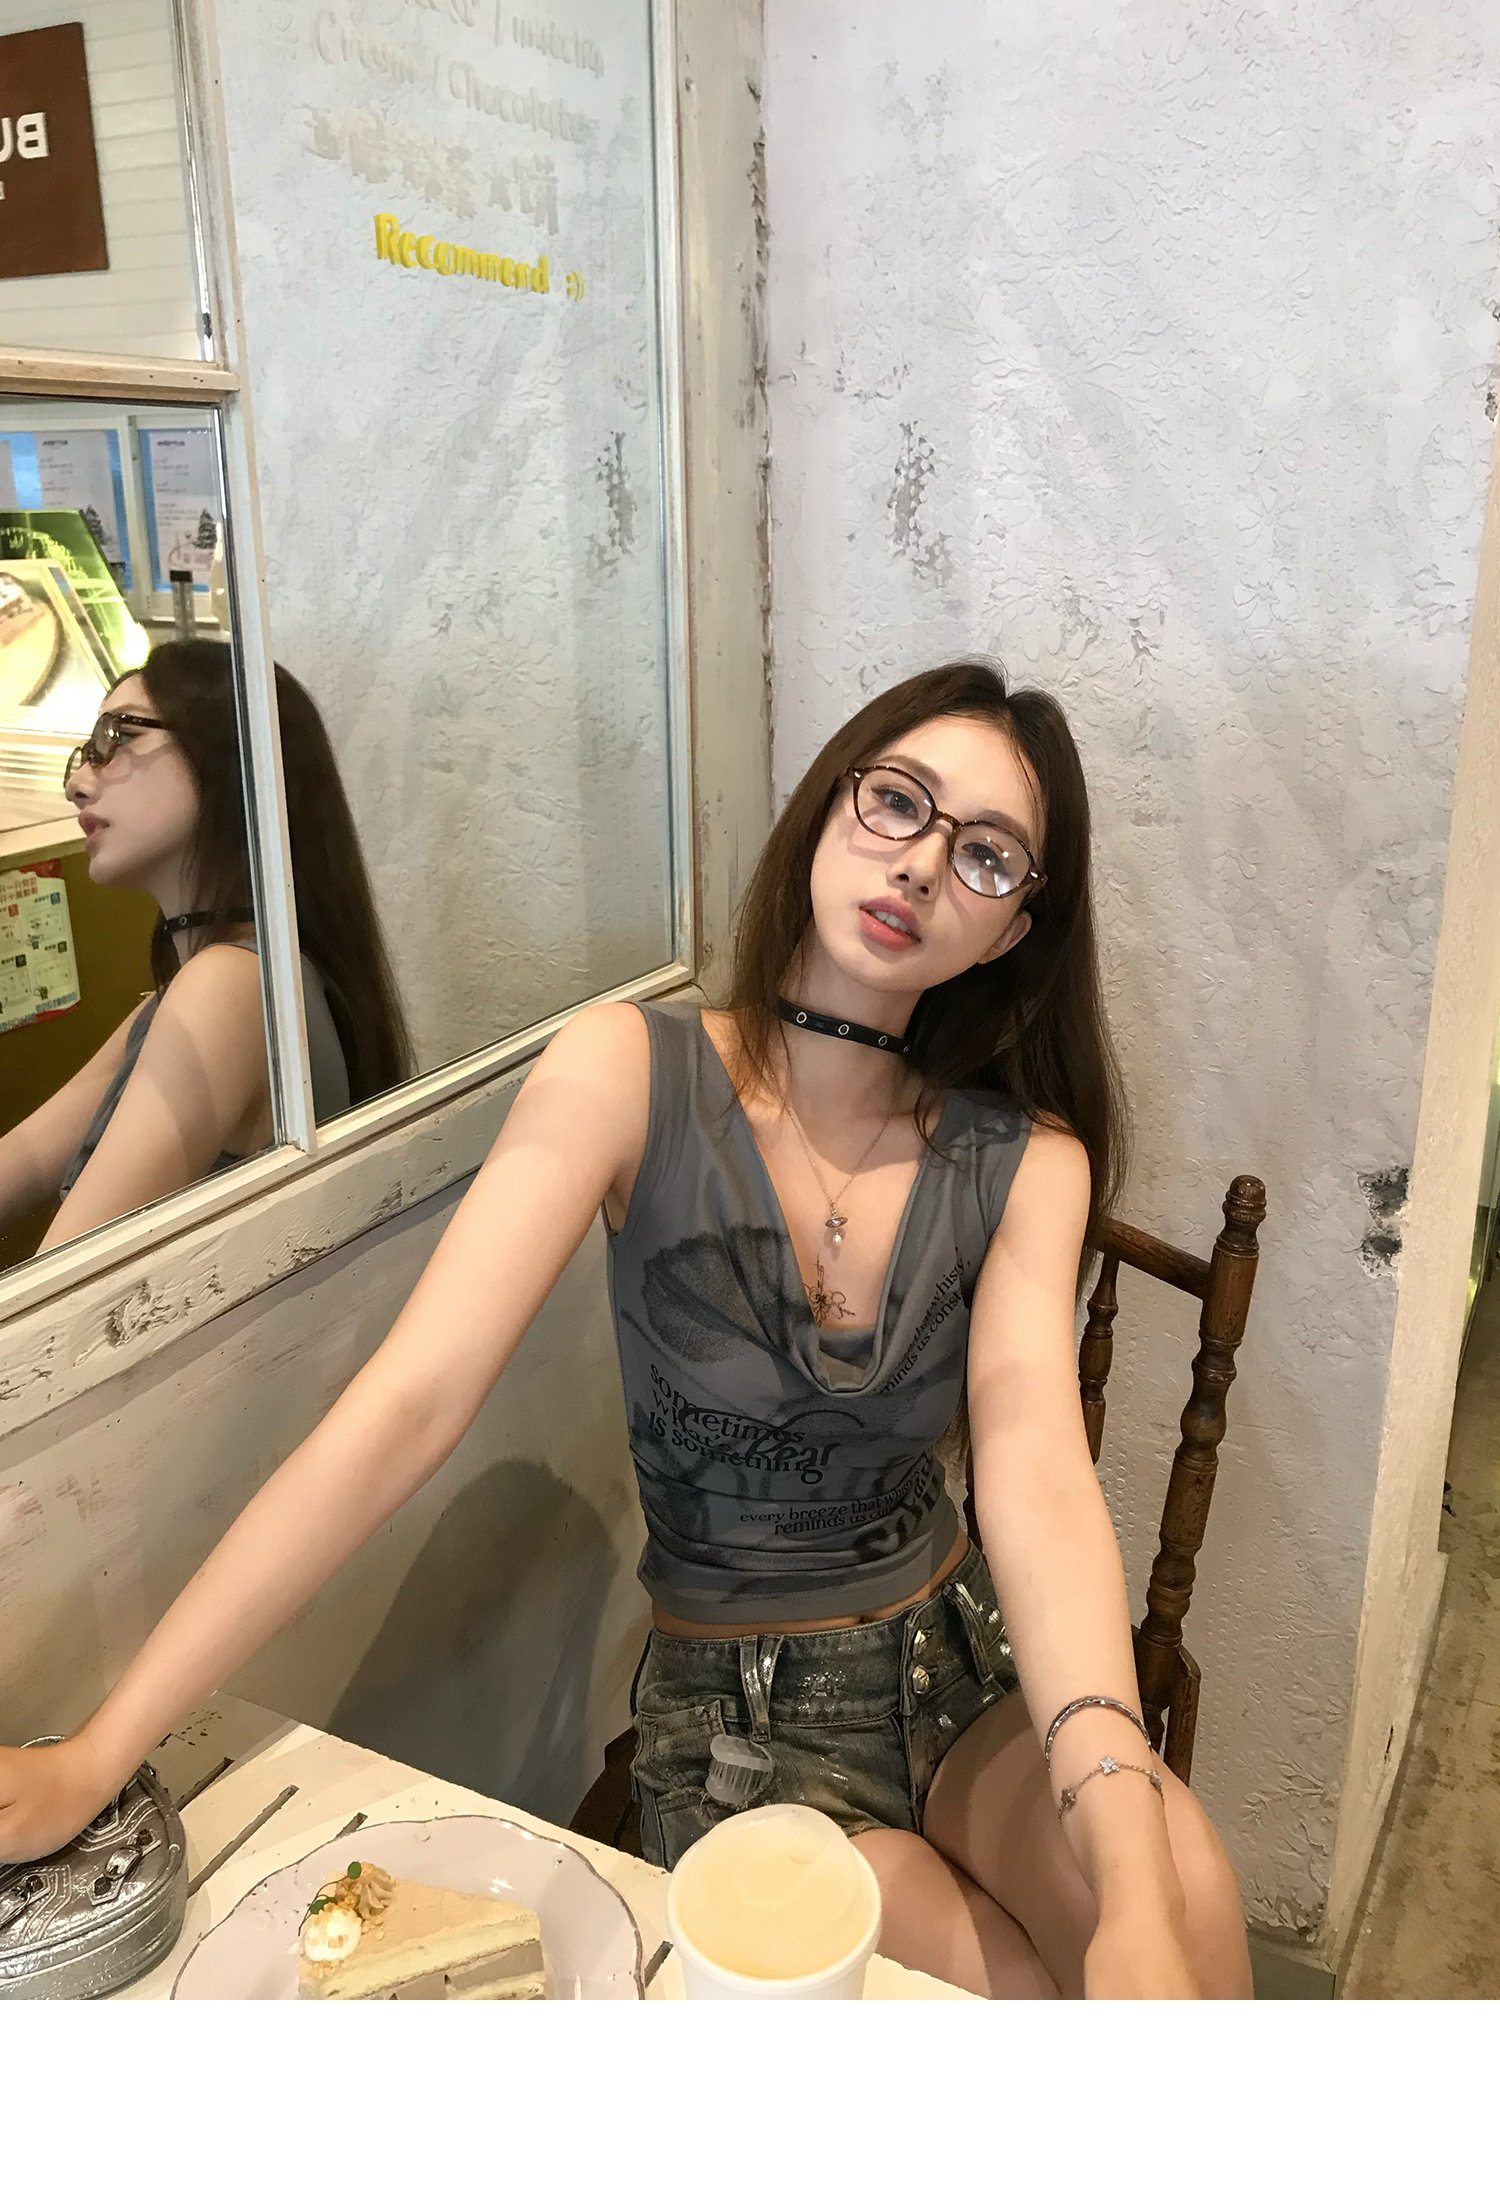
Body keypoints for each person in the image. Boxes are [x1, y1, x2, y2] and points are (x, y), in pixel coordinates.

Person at [0, 660, 1250, 1998]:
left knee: (1179, 1896)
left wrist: (1129, 1880)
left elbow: (1038, 1475)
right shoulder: (624, 1070)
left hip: (960, 1653)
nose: (924, 863)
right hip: (748, 1720)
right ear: (830, 804)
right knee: (993, 1992)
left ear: (1011, 931)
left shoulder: (1026, 1157)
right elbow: (405, 1406)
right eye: (899, 801)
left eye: (987, 854)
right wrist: (105, 1746)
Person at [0, 640, 413, 1255]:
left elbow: (68, 1273)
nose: (79, 784)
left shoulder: (226, 986)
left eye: (118, 736)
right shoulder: (209, 986)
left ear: (228, 754)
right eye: (84, 753)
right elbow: (30, 1157)